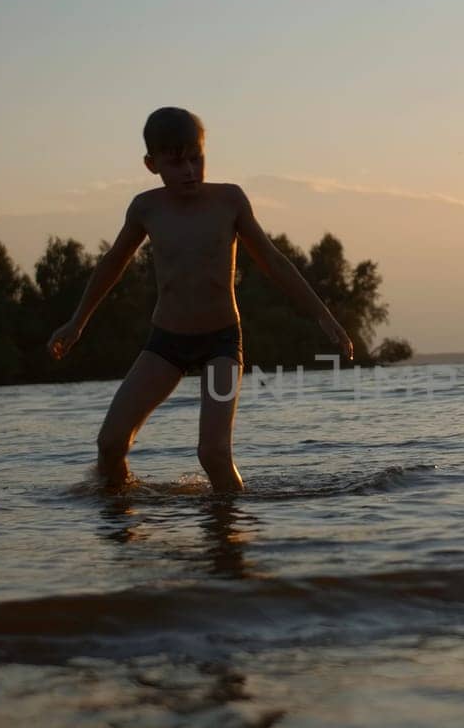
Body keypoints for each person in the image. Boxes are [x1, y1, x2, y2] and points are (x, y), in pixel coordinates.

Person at [46, 107, 353, 492]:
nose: (190, 170)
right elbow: (112, 264)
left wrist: (325, 318)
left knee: (213, 453)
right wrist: (77, 322)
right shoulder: (146, 208)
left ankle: (230, 535)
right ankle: (120, 519)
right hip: (165, 344)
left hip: (221, 344)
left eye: (197, 158)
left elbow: (274, 262)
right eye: (177, 163)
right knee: (109, 444)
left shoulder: (229, 201)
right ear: (151, 163)